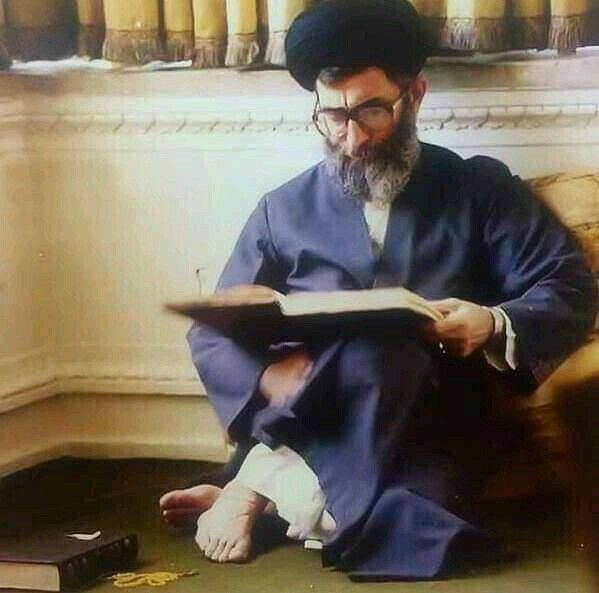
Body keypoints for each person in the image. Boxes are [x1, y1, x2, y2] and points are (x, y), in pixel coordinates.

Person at [160, 0, 596, 580]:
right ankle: (290, 498)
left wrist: (490, 322)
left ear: (414, 95)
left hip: (436, 419)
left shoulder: (478, 189)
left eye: (371, 111)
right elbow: (214, 328)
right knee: (410, 515)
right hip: (320, 414)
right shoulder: (281, 209)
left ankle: (258, 488)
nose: (352, 136)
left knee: (396, 377)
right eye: (333, 116)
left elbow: (567, 283)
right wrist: (269, 375)